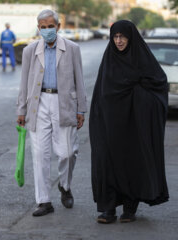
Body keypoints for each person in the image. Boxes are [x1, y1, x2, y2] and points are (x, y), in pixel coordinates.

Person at [89, 20, 169, 224]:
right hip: (109, 125)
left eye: (122, 37)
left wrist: (137, 95)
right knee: (106, 162)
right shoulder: (109, 62)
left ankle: (129, 208)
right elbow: (100, 95)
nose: (119, 41)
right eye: (115, 37)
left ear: (131, 37)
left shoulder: (143, 61)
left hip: (134, 127)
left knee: (131, 163)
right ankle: (107, 209)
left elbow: (159, 85)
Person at [16, 9, 87, 217]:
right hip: (38, 104)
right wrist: (21, 109)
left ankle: (65, 186)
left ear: (58, 26)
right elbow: (24, 83)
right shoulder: (30, 51)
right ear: (38, 28)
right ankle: (44, 201)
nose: (47, 30)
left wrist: (81, 108)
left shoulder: (72, 48)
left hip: (64, 103)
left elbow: (80, 80)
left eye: (51, 26)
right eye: (43, 27)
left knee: (67, 152)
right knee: (40, 154)